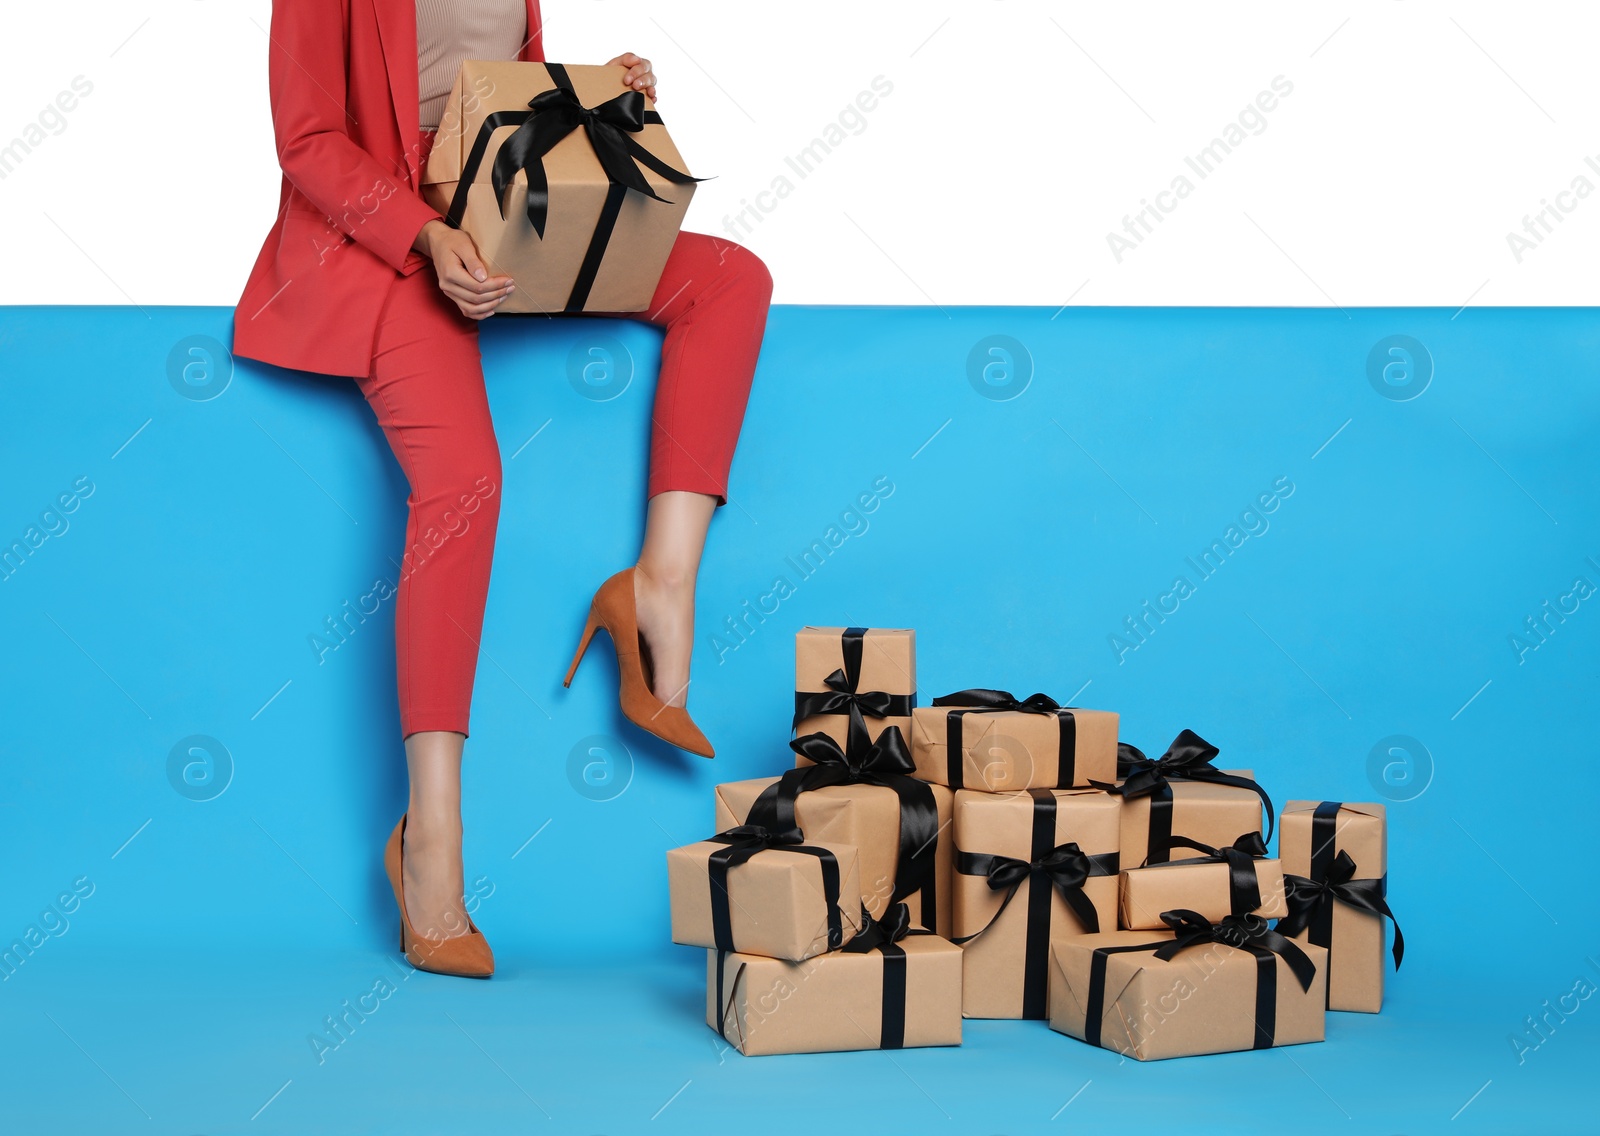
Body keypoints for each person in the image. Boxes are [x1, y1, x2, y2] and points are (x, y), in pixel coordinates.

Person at [232, 0, 772, 979]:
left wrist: (590, 102)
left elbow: (495, 101)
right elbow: (307, 140)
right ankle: (428, 833)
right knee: (465, 481)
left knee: (731, 280)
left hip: (502, 223)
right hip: (383, 251)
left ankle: (659, 582)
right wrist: (423, 238)